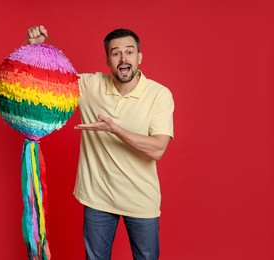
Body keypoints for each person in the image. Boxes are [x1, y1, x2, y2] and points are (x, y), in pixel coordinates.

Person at [27, 25, 174, 260]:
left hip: (140, 199)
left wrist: (114, 129)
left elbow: (157, 148)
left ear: (139, 57)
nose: (123, 59)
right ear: (107, 60)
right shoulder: (90, 86)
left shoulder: (159, 95)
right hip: (98, 198)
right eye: (116, 53)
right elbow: (56, 75)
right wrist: (41, 46)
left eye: (129, 52)